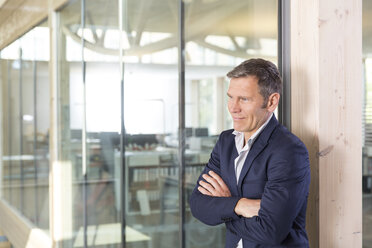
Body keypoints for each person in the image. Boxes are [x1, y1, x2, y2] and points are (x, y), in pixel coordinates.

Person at [189, 58, 310, 247]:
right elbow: (197, 204)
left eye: (244, 99)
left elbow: (270, 231)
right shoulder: (226, 142)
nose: (233, 107)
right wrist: (241, 205)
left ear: (271, 102)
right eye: (230, 97)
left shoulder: (288, 151)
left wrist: (226, 206)